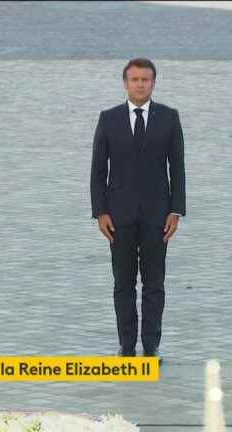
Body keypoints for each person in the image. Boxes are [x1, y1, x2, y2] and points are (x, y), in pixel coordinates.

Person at [90, 58, 186, 361]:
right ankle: (127, 344)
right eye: (135, 80)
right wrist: (100, 212)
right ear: (125, 83)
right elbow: (97, 170)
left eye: (145, 80)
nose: (140, 85)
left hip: (158, 216)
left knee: (154, 283)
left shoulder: (169, 118)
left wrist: (176, 211)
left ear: (153, 83)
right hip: (119, 217)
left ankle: (151, 344)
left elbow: (178, 168)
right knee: (123, 283)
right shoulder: (108, 119)